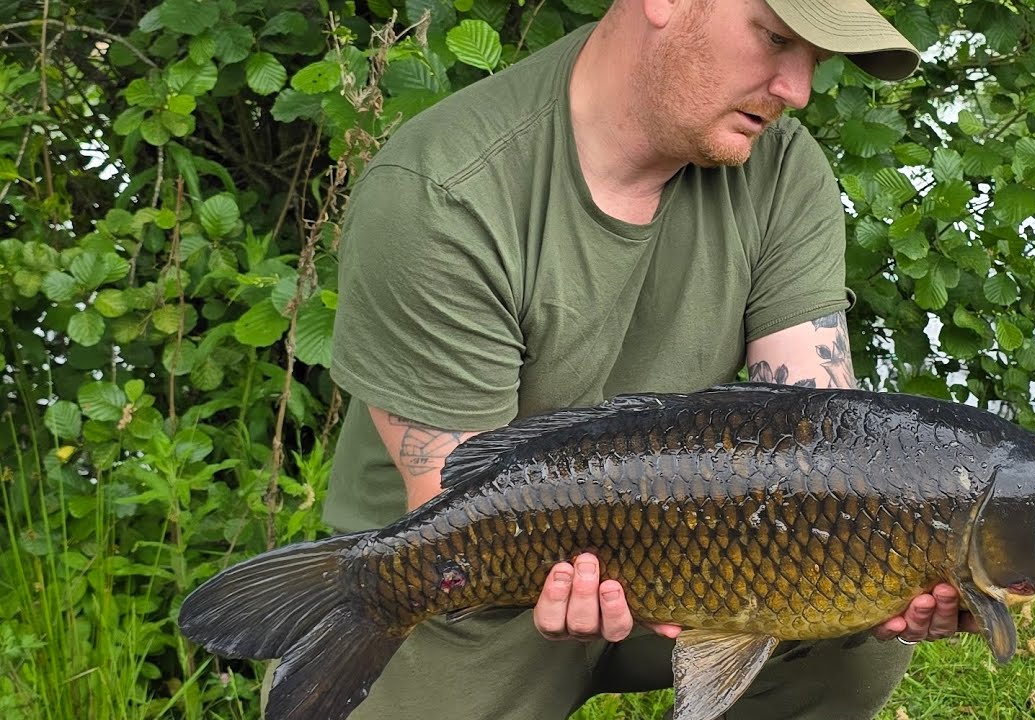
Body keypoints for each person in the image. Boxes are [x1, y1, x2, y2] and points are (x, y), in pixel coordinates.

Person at [310, 0, 978, 717]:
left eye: (815, 60)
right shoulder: (443, 193)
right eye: (778, 39)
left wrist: (924, 556)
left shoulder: (781, 168)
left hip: (685, 550)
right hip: (466, 584)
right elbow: (458, 501)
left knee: (863, 590)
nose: (797, 90)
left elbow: (827, 440)